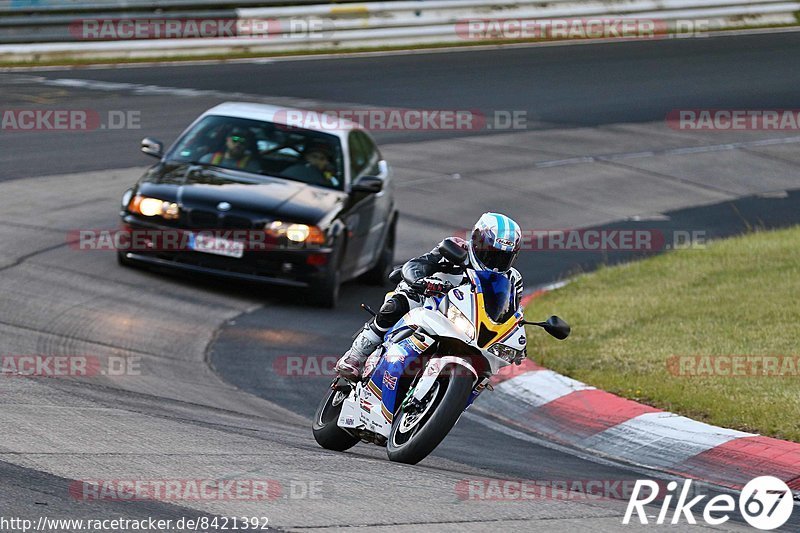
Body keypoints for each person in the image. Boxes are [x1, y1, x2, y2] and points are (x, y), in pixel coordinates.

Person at [335, 212, 524, 380]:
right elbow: (416, 264)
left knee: (487, 365)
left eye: (503, 257)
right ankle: (356, 355)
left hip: (469, 323)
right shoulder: (455, 249)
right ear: (476, 241)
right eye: (492, 254)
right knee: (399, 303)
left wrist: (515, 337)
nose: (496, 263)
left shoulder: (513, 279)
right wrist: (419, 281)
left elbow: (511, 312)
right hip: (429, 301)